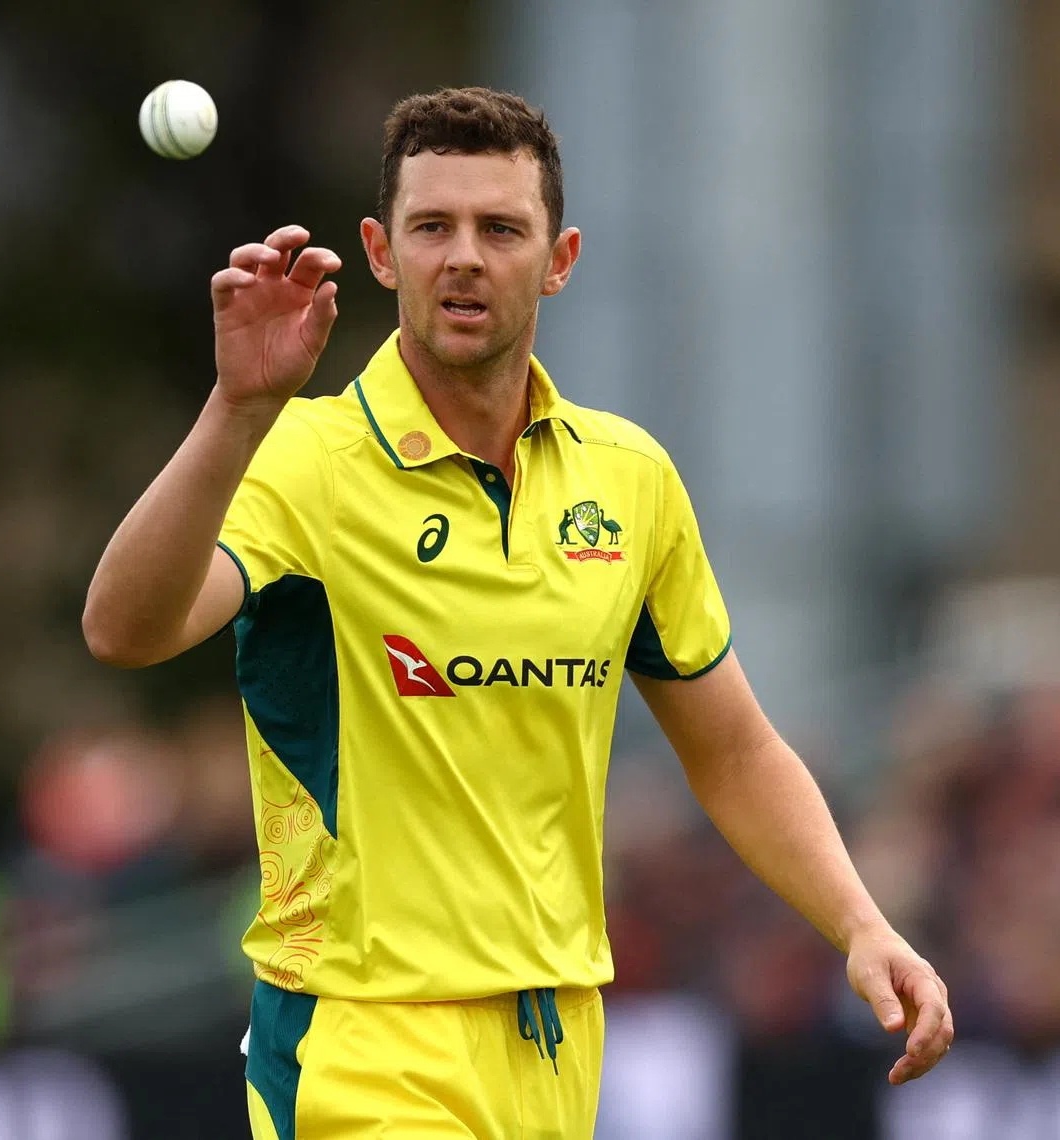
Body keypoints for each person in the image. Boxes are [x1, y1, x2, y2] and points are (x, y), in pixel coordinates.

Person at [83, 86, 954, 1140]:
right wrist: (237, 410)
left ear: (560, 259)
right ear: (379, 249)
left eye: (500, 229)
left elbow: (732, 751)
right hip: (361, 1042)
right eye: (432, 227)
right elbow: (123, 631)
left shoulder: (630, 480)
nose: (464, 256)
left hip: (558, 1040)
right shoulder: (303, 458)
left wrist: (860, 925)